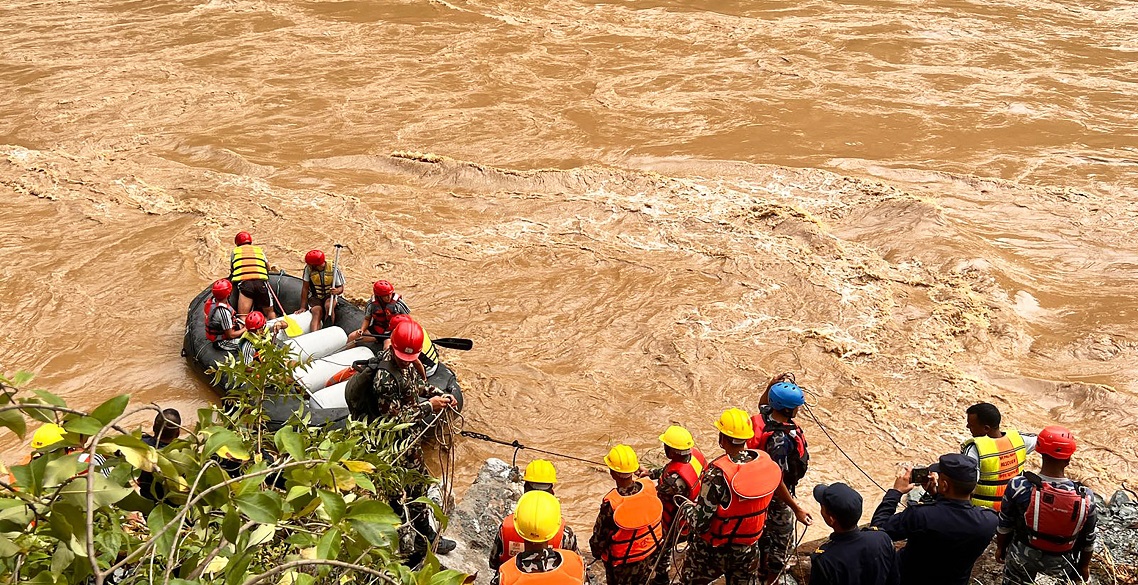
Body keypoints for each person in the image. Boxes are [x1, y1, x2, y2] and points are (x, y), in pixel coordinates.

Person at [681, 409, 812, 585]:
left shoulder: (717, 474)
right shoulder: (765, 462)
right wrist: (796, 509)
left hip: (713, 551)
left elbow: (701, 522)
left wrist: (687, 507)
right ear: (747, 438)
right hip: (747, 550)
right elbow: (778, 483)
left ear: (722, 439)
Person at [870, 454, 998, 585]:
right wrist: (936, 494)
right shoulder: (989, 520)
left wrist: (895, 492)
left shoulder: (920, 515)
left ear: (944, 485)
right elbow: (953, 515)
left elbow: (878, 530)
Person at [995, 425, 1096, 585]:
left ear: (1039, 452)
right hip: (1062, 561)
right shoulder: (1086, 496)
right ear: (1069, 459)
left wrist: (1001, 548)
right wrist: (1083, 567)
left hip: (1022, 556)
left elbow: (1005, 524)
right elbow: (1088, 539)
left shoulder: (1018, 485)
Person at [749, 375, 810, 584]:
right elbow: (777, 480)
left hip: (759, 490)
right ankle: (771, 579)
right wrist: (796, 508)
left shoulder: (767, 416)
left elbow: (762, 404)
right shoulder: (779, 441)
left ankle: (762, 570)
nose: (798, 410)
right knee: (782, 540)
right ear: (787, 410)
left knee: (764, 533)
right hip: (777, 497)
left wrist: (771, 384)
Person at [489, 460, 582, 580]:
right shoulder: (565, 533)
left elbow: (493, 563)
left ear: (525, 488)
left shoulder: (506, 527)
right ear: (552, 491)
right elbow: (576, 564)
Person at [638, 425, 706, 585]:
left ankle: (662, 578)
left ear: (672, 451)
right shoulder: (695, 456)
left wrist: (636, 487)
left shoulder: (675, 482)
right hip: (692, 517)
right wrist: (651, 473)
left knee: (662, 549)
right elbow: (672, 470)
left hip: (675, 523)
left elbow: (653, 496)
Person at [590, 445, 664, 585]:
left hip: (622, 566)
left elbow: (599, 539)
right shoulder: (649, 488)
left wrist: (596, 553)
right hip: (648, 556)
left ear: (613, 473)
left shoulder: (611, 504)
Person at [809, 482, 898, 585]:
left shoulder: (825, 560)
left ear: (831, 519)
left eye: (822, 506)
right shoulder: (882, 539)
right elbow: (894, 579)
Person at [498, 491, 587, 585]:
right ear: (555, 527)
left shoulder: (505, 575)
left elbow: (493, 563)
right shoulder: (576, 564)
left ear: (518, 525)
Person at [961, 402, 1036, 511]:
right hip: (1014, 511)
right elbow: (1043, 440)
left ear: (986, 428)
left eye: (971, 425)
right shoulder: (1019, 439)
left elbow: (964, 487)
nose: (967, 427)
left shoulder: (973, 449)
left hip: (984, 514)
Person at [228, 231, 277, 320]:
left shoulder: (235, 251)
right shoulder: (258, 250)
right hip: (261, 283)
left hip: (246, 284)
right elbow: (268, 268)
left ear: (237, 243)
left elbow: (233, 269)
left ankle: (245, 331)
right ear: (250, 241)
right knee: (270, 312)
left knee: (243, 316)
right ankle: (275, 327)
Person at [347, 280, 410, 348]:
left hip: (391, 333)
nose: (389, 297)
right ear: (378, 296)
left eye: (390, 294)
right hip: (377, 331)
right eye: (385, 296)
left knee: (387, 347)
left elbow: (408, 320)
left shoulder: (398, 304)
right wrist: (362, 330)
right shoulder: (371, 304)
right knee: (352, 337)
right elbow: (367, 319)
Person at [138, 409, 182, 502]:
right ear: (178, 433)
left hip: (147, 502)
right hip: (176, 504)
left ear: (153, 427)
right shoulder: (182, 454)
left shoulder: (140, 446)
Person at [296, 249, 344, 332]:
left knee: (329, 306)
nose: (308, 265)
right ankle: (314, 334)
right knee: (317, 311)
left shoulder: (333, 268)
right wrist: (303, 307)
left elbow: (341, 288)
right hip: (315, 296)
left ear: (315, 265)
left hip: (329, 296)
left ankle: (327, 330)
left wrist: (337, 291)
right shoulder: (308, 269)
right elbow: (305, 288)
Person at [205, 279, 245, 351]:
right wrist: (246, 329)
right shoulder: (223, 312)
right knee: (250, 342)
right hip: (222, 342)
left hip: (226, 329)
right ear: (228, 294)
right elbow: (230, 335)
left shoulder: (213, 300)